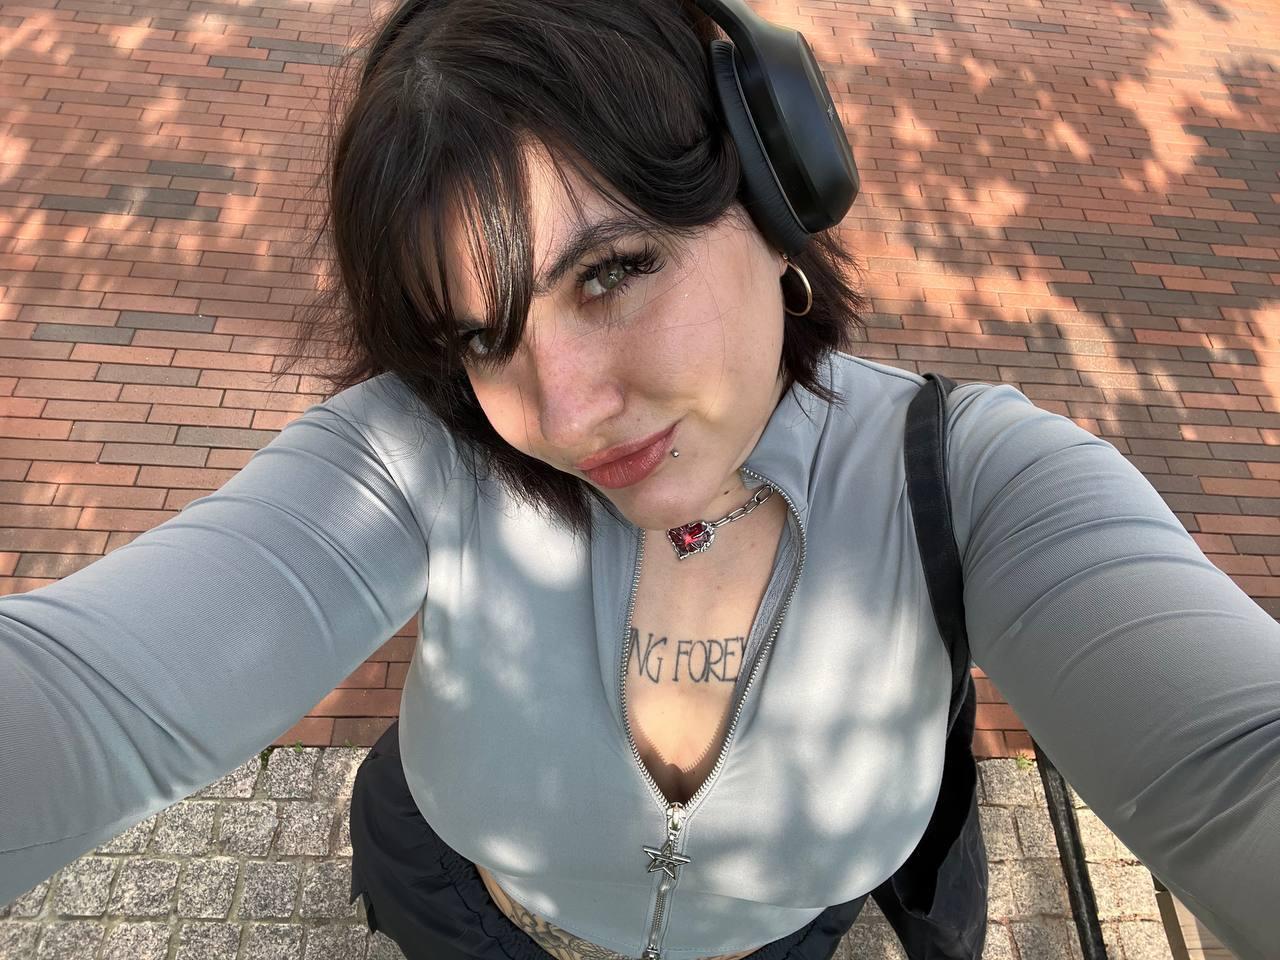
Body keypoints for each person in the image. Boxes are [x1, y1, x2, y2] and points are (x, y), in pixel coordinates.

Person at [2, 1, 1278, 959]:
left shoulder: (977, 478)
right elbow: (92, 692)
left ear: (774, 197)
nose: (559, 413)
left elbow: (1236, 770)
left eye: (610, 271)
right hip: (463, 918)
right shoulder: (418, 455)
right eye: (478, 337)